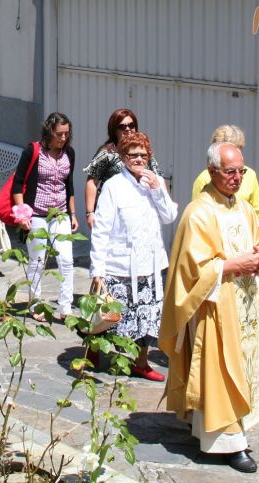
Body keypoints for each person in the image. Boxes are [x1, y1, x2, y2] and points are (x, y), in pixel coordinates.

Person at [159, 142, 259, 473]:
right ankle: (227, 444)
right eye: (230, 171)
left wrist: (258, 256)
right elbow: (192, 269)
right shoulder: (199, 212)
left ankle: (227, 432)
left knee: (242, 368)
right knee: (220, 371)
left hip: (244, 304)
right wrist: (234, 264)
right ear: (211, 172)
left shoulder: (244, 209)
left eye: (241, 171)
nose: (237, 178)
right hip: (214, 306)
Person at [89, 131, 177, 381]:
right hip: (119, 266)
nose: (138, 159)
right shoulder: (113, 186)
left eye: (143, 155)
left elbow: (169, 216)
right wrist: (97, 269)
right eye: (132, 155)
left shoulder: (155, 182)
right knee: (110, 315)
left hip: (150, 265)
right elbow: (102, 229)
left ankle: (141, 361)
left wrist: (158, 190)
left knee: (146, 316)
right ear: (123, 157)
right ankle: (93, 350)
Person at [12, 112, 78, 321]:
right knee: (38, 261)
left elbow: (69, 186)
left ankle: (65, 307)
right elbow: (17, 184)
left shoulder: (70, 153)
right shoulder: (33, 151)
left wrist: (73, 213)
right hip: (37, 214)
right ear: (49, 131)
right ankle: (36, 304)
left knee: (66, 259)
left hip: (60, 214)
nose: (63, 138)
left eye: (67, 134)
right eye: (59, 134)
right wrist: (23, 214)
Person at [83, 108, 162, 229]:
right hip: (111, 212)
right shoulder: (107, 152)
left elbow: (158, 179)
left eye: (131, 125)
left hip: (139, 213)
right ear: (114, 130)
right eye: (122, 126)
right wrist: (90, 213)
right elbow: (92, 182)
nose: (128, 129)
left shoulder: (143, 150)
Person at [191, 125, 259, 229]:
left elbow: (258, 215)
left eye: (240, 149)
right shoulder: (203, 179)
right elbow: (197, 218)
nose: (238, 177)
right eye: (230, 172)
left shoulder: (250, 175)